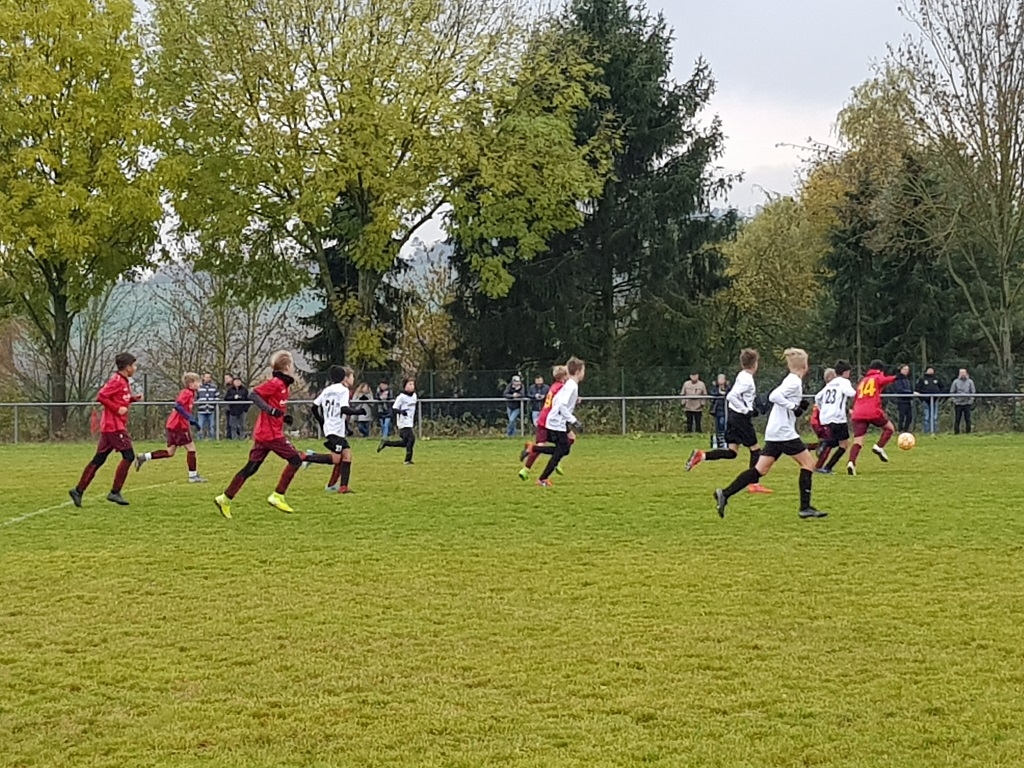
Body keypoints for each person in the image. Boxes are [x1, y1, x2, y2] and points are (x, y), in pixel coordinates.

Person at [713, 348, 827, 520]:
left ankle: (725, 493)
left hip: (775, 431)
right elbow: (774, 396)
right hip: (783, 432)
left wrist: (797, 407)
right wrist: (793, 407)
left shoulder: (790, 379)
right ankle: (805, 507)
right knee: (809, 464)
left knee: (760, 470)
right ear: (805, 366)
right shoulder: (794, 381)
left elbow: (783, 401)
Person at [214, 351, 310, 518]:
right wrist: (270, 410)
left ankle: (225, 498)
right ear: (287, 366)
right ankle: (278, 495)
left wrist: (282, 416)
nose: (293, 368)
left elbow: (274, 405)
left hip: (264, 433)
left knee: (251, 468)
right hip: (271, 435)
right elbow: (254, 394)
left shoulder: (283, 385)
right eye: (292, 364)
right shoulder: (276, 383)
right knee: (295, 460)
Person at [686, 348, 772, 494]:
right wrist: (745, 410)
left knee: (732, 452)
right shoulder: (747, 380)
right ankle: (754, 484)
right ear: (755, 364)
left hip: (733, 415)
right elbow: (731, 396)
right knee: (755, 449)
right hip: (740, 417)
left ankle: (702, 455)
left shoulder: (742, 374)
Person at [69, 353, 144, 507]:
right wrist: (117, 409)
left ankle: (78, 490)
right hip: (114, 427)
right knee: (129, 456)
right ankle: (115, 492)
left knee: (99, 458)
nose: (135, 368)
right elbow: (101, 396)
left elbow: (119, 398)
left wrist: (132, 399)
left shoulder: (123, 381)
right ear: (128, 367)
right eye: (134, 365)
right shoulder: (116, 380)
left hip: (111, 427)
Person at [134, 371, 208, 483]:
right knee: (191, 449)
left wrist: (190, 419)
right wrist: (190, 418)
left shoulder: (191, 393)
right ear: (191, 384)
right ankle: (193, 476)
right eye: (198, 382)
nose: (200, 384)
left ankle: (143, 457)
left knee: (170, 452)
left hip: (173, 425)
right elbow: (178, 406)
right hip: (179, 426)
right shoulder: (187, 392)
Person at [308, 365, 366, 493]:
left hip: (332, 428)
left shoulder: (327, 390)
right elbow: (343, 409)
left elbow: (314, 407)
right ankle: (308, 456)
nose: (353, 379)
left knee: (347, 456)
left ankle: (342, 487)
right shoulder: (343, 390)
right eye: (352, 376)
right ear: (345, 377)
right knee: (336, 458)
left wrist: (322, 421)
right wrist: (358, 411)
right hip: (335, 430)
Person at [532, 357, 585, 487]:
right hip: (557, 422)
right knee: (562, 450)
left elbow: (557, 401)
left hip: (556, 420)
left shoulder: (569, 385)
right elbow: (561, 405)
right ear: (578, 371)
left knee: (563, 449)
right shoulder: (572, 386)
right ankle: (542, 479)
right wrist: (574, 421)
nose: (584, 373)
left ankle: (534, 450)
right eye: (583, 370)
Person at [847, 359, 898, 476]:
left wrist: (853, 409)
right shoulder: (877, 377)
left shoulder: (863, 381)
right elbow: (886, 380)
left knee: (858, 441)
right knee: (890, 428)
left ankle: (851, 462)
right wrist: (897, 377)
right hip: (872, 411)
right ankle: (879, 446)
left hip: (858, 412)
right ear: (880, 370)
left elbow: (856, 397)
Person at [519, 365, 570, 481]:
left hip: (545, 417)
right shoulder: (562, 388)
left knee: (556, 443)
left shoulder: (553, 386)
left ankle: (528, 468)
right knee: (565, 442)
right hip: (551, 419)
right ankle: (540, 464)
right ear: (564, 376)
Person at [815, 361, 857, 474]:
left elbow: (818, 397)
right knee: (844, 444)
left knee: (837, 441)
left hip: (826, 417)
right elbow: (851, 393)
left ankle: (825, 446)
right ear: (846, 372)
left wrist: (822, 409)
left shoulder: (831, 383)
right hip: (838, 417)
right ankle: (827, 465)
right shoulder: (844, 382)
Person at [378, 378, 417, 464]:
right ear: (405, 386)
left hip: (410, 422)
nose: (412, 386)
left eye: (413, 384)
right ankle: (407, 460)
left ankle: (387, 443)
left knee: (405, 443)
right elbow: (394, 409)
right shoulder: (401, 397)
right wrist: (401, 412)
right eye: (409, 384)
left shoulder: (414, 396)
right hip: (403, 422)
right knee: (411, 439)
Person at [916, 367, 943, 435]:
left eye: (932, 370)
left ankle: (934, 431)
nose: (931, 371)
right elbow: (917, 390)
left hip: (935, 400)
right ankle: (927, 432)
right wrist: (922, 398)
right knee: (926, 417)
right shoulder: (922, 380)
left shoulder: (937, 379)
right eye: (929, 370)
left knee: (934, 417)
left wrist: (939, 396)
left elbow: (942, 388)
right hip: (925, 401)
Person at [950, 368, 976, 434]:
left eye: (964, 373)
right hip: (958, 403)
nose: (963, 374)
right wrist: (954, 401)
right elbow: (952, 392)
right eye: (961, 373)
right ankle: (956, 432)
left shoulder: (970, 382)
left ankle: (968, 432)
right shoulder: (955, 382)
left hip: (967, 403)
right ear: (959, 374)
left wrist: (971, 400)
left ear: (966, 373)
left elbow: (973, 392)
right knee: (957, 419)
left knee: (968, 419)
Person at [196, 372, 219, 439]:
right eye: (206, 377)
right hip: (201, 410)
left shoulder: (214, 387)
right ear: (203, 378)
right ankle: (199, 439)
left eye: (209, 377)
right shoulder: (199, 387)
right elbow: (195, 397)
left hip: (211, 410)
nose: (207, 378)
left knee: (212, 426)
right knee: (200, 425)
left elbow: (217, 397)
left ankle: (212, 439)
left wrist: (213, 403)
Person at [893, 364, 914, 433]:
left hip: (908, 400)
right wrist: (911, 392)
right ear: (901, 370)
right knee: (902, 416)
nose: (906, 371)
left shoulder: (907, 379)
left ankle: (905, 430)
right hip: (901, 400)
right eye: (905, 369)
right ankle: (900, 430)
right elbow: (899, 389)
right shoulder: (898, 379)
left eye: (907, 370)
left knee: (909, 417)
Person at [710, 374, 729, 448]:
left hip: (725, 409)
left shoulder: (728, 387)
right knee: (718, 426)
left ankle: (724, 440)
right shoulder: (715, 388)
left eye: (722, 379)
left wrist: (724, 393)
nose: (720, 380)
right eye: (719, 379)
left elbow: (729, 393)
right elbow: (712, 393)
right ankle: (719, 441)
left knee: (723, 424)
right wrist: (720, 392)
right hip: (717, 410)